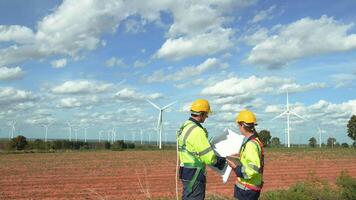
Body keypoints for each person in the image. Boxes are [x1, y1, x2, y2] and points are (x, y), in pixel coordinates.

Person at [177, 99, 226, 200]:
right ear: (202, 114)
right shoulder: (197, 131)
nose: (207, 117)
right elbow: (208, 157)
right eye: (206, 114)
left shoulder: (184, 127)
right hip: (195, 173)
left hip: (185, 171)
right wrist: (221, 161)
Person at [226, 110, 264, 200]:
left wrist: (235, 167)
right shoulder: (254, 141)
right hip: (249, 189)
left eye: (238, 125)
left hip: (247, 190)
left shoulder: (251, 145)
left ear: (242, 124)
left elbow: (251, 170)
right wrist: (240, 156)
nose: (238, 127)